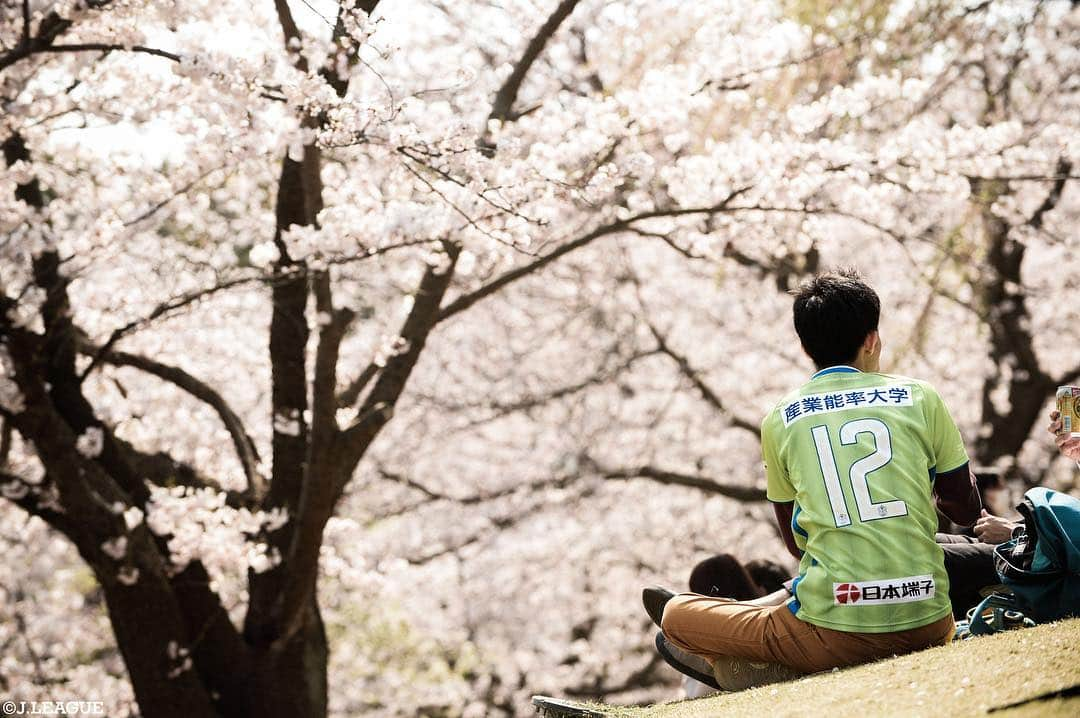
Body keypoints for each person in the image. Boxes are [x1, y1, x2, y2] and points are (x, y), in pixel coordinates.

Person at [646, 270, 982, 691]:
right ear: (872, 339)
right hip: (930, 619)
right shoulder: (920, 396)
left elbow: (795, 543)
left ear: (804, 347)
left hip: (834, 629)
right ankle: (772, 663)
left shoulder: (780, 418)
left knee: (677, 616)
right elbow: (965, 509)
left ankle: (762, 665)